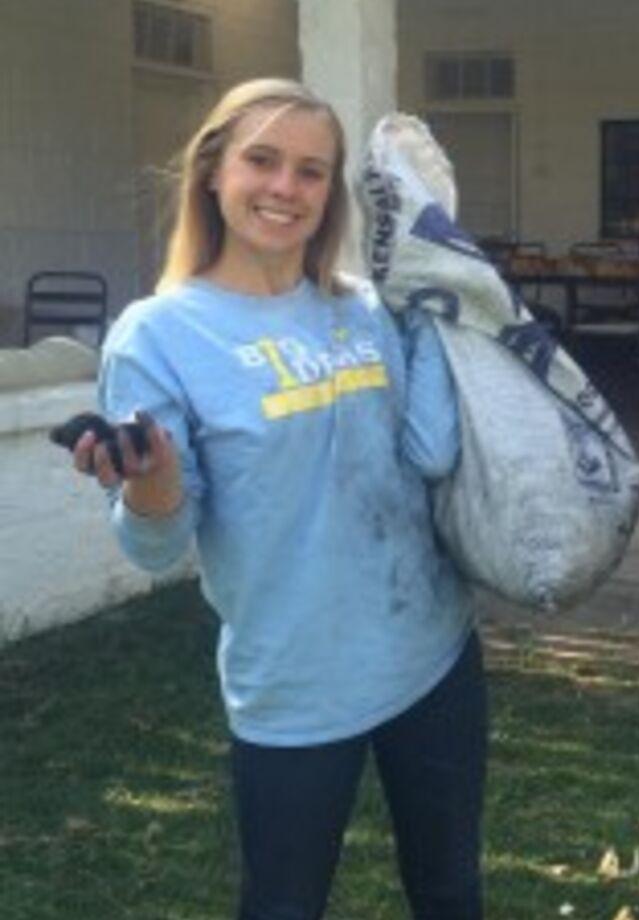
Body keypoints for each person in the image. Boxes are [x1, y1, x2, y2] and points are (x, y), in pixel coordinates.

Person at [66, 78, 484, 919]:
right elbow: (154, 547)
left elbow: (432, 451)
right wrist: (152, 482)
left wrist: (435, 314)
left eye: (311, 171)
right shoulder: (158, 335)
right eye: (263, 161)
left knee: (449, 894)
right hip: (296, 683)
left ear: (331, 193)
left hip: (433, 653)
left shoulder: (366, 311)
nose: (285, 189)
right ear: (214, 169)